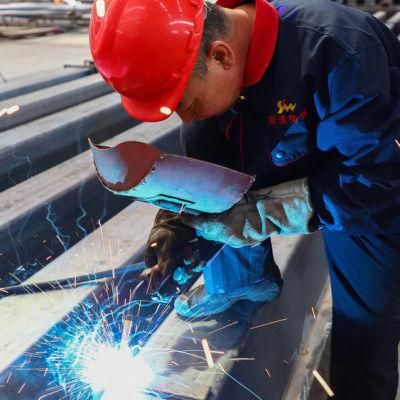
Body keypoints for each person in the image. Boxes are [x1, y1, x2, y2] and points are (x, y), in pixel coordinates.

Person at [89, 0, 400, 398]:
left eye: (187, 101)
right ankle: (244, 280)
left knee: (363, 335)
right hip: (290, 143)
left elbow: (379, 175)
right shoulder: (213, 72)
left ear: (221, 55)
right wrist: (175, 227)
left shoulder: (342, 50)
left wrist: (271, 212)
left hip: (368, 180)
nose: (185, 116)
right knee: (212, 199)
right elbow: (203, 168)